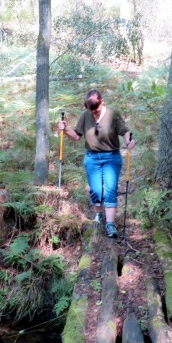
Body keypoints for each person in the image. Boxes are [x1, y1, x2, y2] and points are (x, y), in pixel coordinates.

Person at [59, 89, 134, 238]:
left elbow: (125, 131)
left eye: (96, 109)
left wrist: (128, 141)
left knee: (110, 190)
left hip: (111, 157)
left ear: (102, 101)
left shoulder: (113, 114)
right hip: (92, 158)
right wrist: (66, 129)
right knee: (95, 190)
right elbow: (76, 136)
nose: (94, 113)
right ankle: (99, 215)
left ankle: (110, 224)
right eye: (91, 110)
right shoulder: (86, 116)